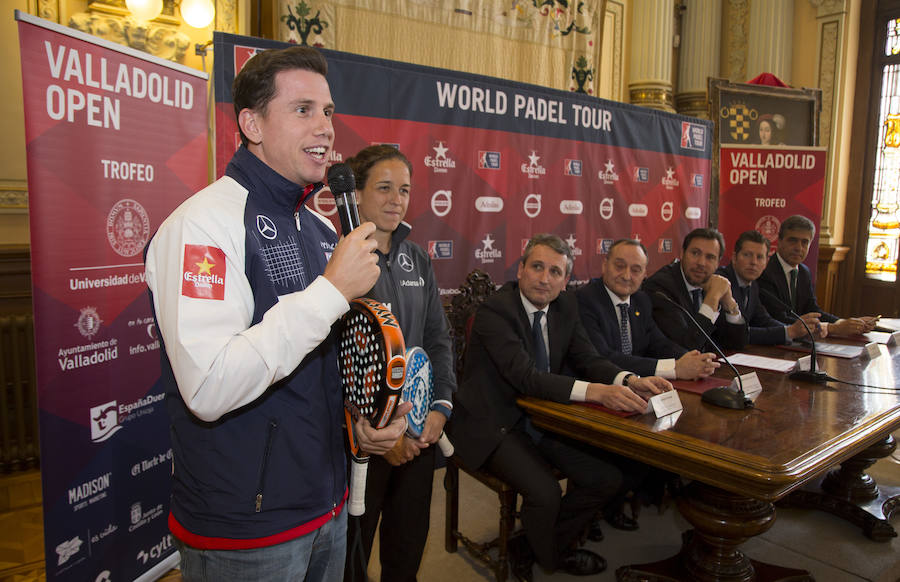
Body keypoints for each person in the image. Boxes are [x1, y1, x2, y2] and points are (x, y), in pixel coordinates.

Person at [144, 46, 409, 582]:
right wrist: (331, 291)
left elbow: (316, 365)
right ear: (252, 124)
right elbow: (210, 385)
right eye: (303, 109)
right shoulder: (203, 225)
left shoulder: (315, 227)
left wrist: (361, 420)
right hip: (245, 531)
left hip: (326, 508)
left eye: (329, 112)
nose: (325, 128)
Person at [448, 234, 672, 581]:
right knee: (546, 492)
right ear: (520, 269)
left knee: (605, 478)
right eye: (537, 267)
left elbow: (589, 358)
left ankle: (529, 544)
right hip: (493, 421)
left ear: (566, 280)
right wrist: (597, 393)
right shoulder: (496, 310)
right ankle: (549, 556)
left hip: (542, 416)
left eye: (556, 272)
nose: (544, 278)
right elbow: (526, 377)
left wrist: (627, 379)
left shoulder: (567, 306)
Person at [343, 145, 456, 582]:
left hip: (419, 432)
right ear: (356, 193)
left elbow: (438, 339)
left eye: (404, 189)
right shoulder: (339, 257)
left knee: (406, 551)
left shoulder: (418, 258)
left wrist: (440, 410)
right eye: (384, 187)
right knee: (353, 557)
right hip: (364, 440)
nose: (396, 199)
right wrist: (371, 431)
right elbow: (334, 358)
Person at [577, 238, 720, 380]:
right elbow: (604, 357)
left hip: (636, 385)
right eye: (619, 266)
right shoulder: (586, 299)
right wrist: (674, 367)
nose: (627, 276)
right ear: (604, 265)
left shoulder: (641, 300)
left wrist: (693, 360)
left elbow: (659, 343)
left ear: (644, 274)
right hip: (599, 385)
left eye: (636, 270)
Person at [756, 215, 879, 336]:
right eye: (793, 240)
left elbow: (813, 311)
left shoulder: (804, 272)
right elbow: (779, 318)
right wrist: (831, 328)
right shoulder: (765, 272)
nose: (798, 248)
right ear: (780, 241)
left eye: (804, 242)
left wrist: (847, 324)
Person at [642, 228, 748, 353]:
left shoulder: (713, 283)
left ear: (718, 263)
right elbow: (686, 347)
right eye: (695, 253)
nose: (701, 263)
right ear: (682, 254)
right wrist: (712, 298)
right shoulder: (661, 288)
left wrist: (729, 304)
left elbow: (737, 343)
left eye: (710, 257)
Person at [718, 230, 827, 345]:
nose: (753, 262)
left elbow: (764, 320)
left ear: (766, 262)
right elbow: (730, 334)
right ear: (734, 258)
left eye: (759, 257)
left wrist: (801, 332)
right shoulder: (722, 281)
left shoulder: (753, 285)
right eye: (747, 255)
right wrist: (790, 332)